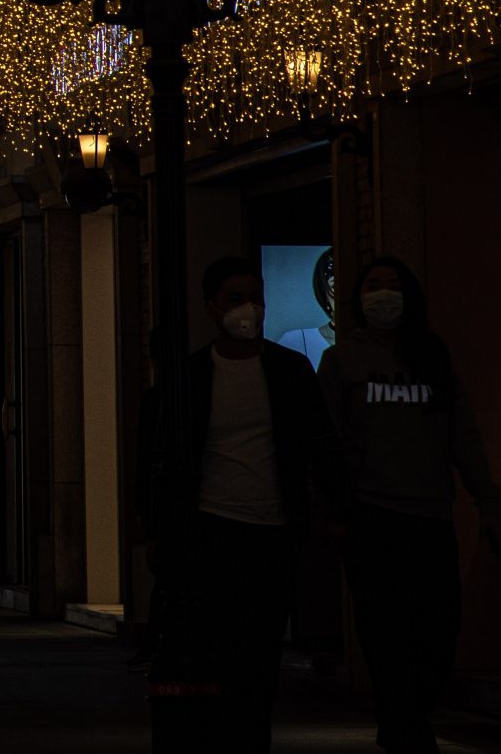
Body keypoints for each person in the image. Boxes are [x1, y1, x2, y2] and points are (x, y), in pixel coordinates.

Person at [137, 254, 339, 753]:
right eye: (235, 298)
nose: (249, 309)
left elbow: (318, 444)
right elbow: (155, 457)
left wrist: (324, 515)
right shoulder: (191, 379)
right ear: (212, 307)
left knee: (260, 658)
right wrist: (158, 530)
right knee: (217, 653)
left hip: (271, 530)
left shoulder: (289, 370)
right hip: (211, 530)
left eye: (256, 297)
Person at [319, 257, 501, 754]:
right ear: (357, 299)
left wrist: (485, 498)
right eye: (374, 286)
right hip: (371, 514)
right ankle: (403, 725)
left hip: (429, 512)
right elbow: (328, 441)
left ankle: (410, 713)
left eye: (393, 286)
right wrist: (335, 512)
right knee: (384, 631)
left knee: (438, 628)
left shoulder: (433, 355)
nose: (383, 295)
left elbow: (462, 432)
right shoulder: (342, 362)